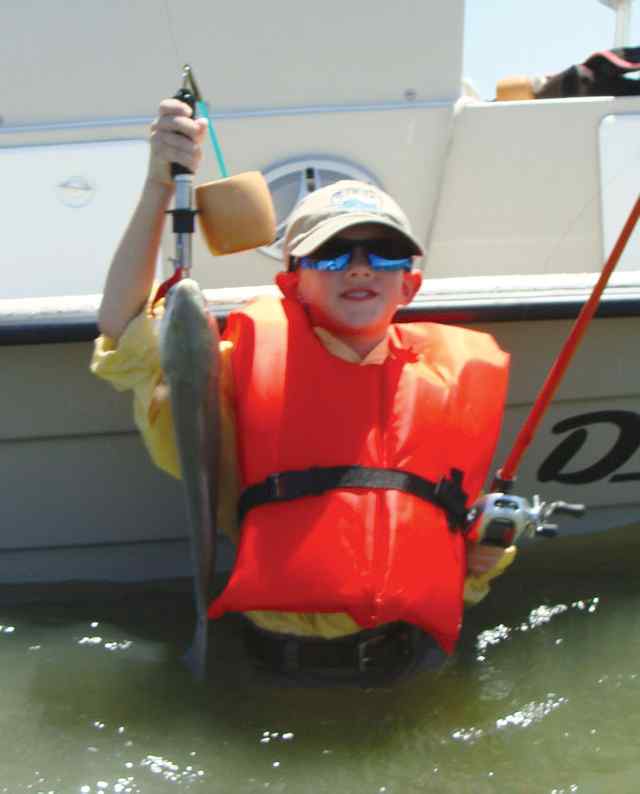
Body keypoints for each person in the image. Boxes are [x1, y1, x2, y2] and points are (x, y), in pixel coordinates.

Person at [92, 98, 516, 687]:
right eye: (333, 252)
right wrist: (157, 188)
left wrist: (484, 556)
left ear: (410, 282)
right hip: (276, 677)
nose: (360, 267)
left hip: (412, 669)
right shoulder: (227, 372)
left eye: (383, 252)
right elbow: (124, 329)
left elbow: (463, 558)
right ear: (292, 280)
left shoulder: (451, 380)